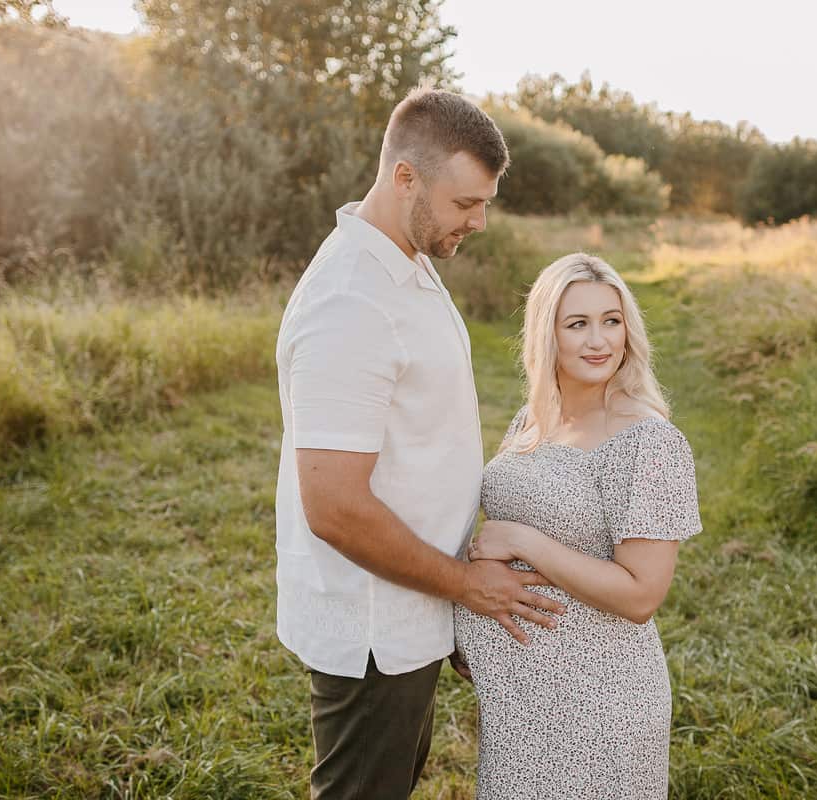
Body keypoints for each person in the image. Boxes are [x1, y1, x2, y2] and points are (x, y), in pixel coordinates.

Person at [273, 86, 566, 800]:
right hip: (377, 628)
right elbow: (335, 507)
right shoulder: (351, 301)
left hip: (416, 605)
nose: (482, 221)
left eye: (486, 202)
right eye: (467, 203)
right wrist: (467, 585)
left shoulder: (407, 260)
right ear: (405, 178)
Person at [454, 252, 703, 799]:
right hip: (519, 699)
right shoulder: (534, 419)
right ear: (548, 335)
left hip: (599, 706)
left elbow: (642, 596)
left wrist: (524, 542)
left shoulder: (649, 443)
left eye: (611, 321)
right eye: (578, 324)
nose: (599, 341)